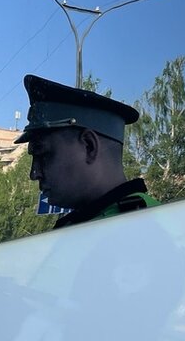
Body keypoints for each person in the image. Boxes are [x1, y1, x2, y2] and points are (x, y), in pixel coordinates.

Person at [15, 74, 158, 227]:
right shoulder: (143, 221)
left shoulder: (126, 229)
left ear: (89, 146)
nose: (34, 173)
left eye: (43, 155)